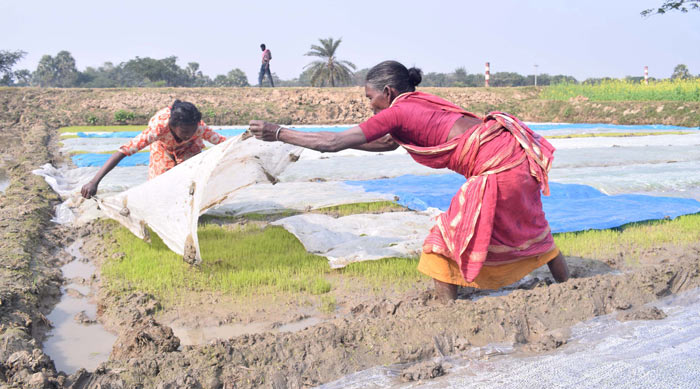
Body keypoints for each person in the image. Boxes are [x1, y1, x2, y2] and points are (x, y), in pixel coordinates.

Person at [249, 60, 569, 301]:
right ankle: (568, 288)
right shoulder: (421, 102)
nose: (370, 105)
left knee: (440, 243)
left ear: (387, 93)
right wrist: (333, 140)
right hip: (517, 155)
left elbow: (333, 142)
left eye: (370, 98)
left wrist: (279, 133)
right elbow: (389, 143)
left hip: (496, 169)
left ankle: (448, 313)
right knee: (533, 228)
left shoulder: (395, 113)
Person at [81, 100, 226, 198]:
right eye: (184, 132)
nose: (188, 135)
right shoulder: (158, 129)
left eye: (192, 131)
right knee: (160, 184)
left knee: (191, 177)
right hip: (163, 146)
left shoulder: (199, 129)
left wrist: (248, 135)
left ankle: (190, 209)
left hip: (189, 148)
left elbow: (224, 142)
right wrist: (94, 182)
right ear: (173, 126)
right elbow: (123, 151)